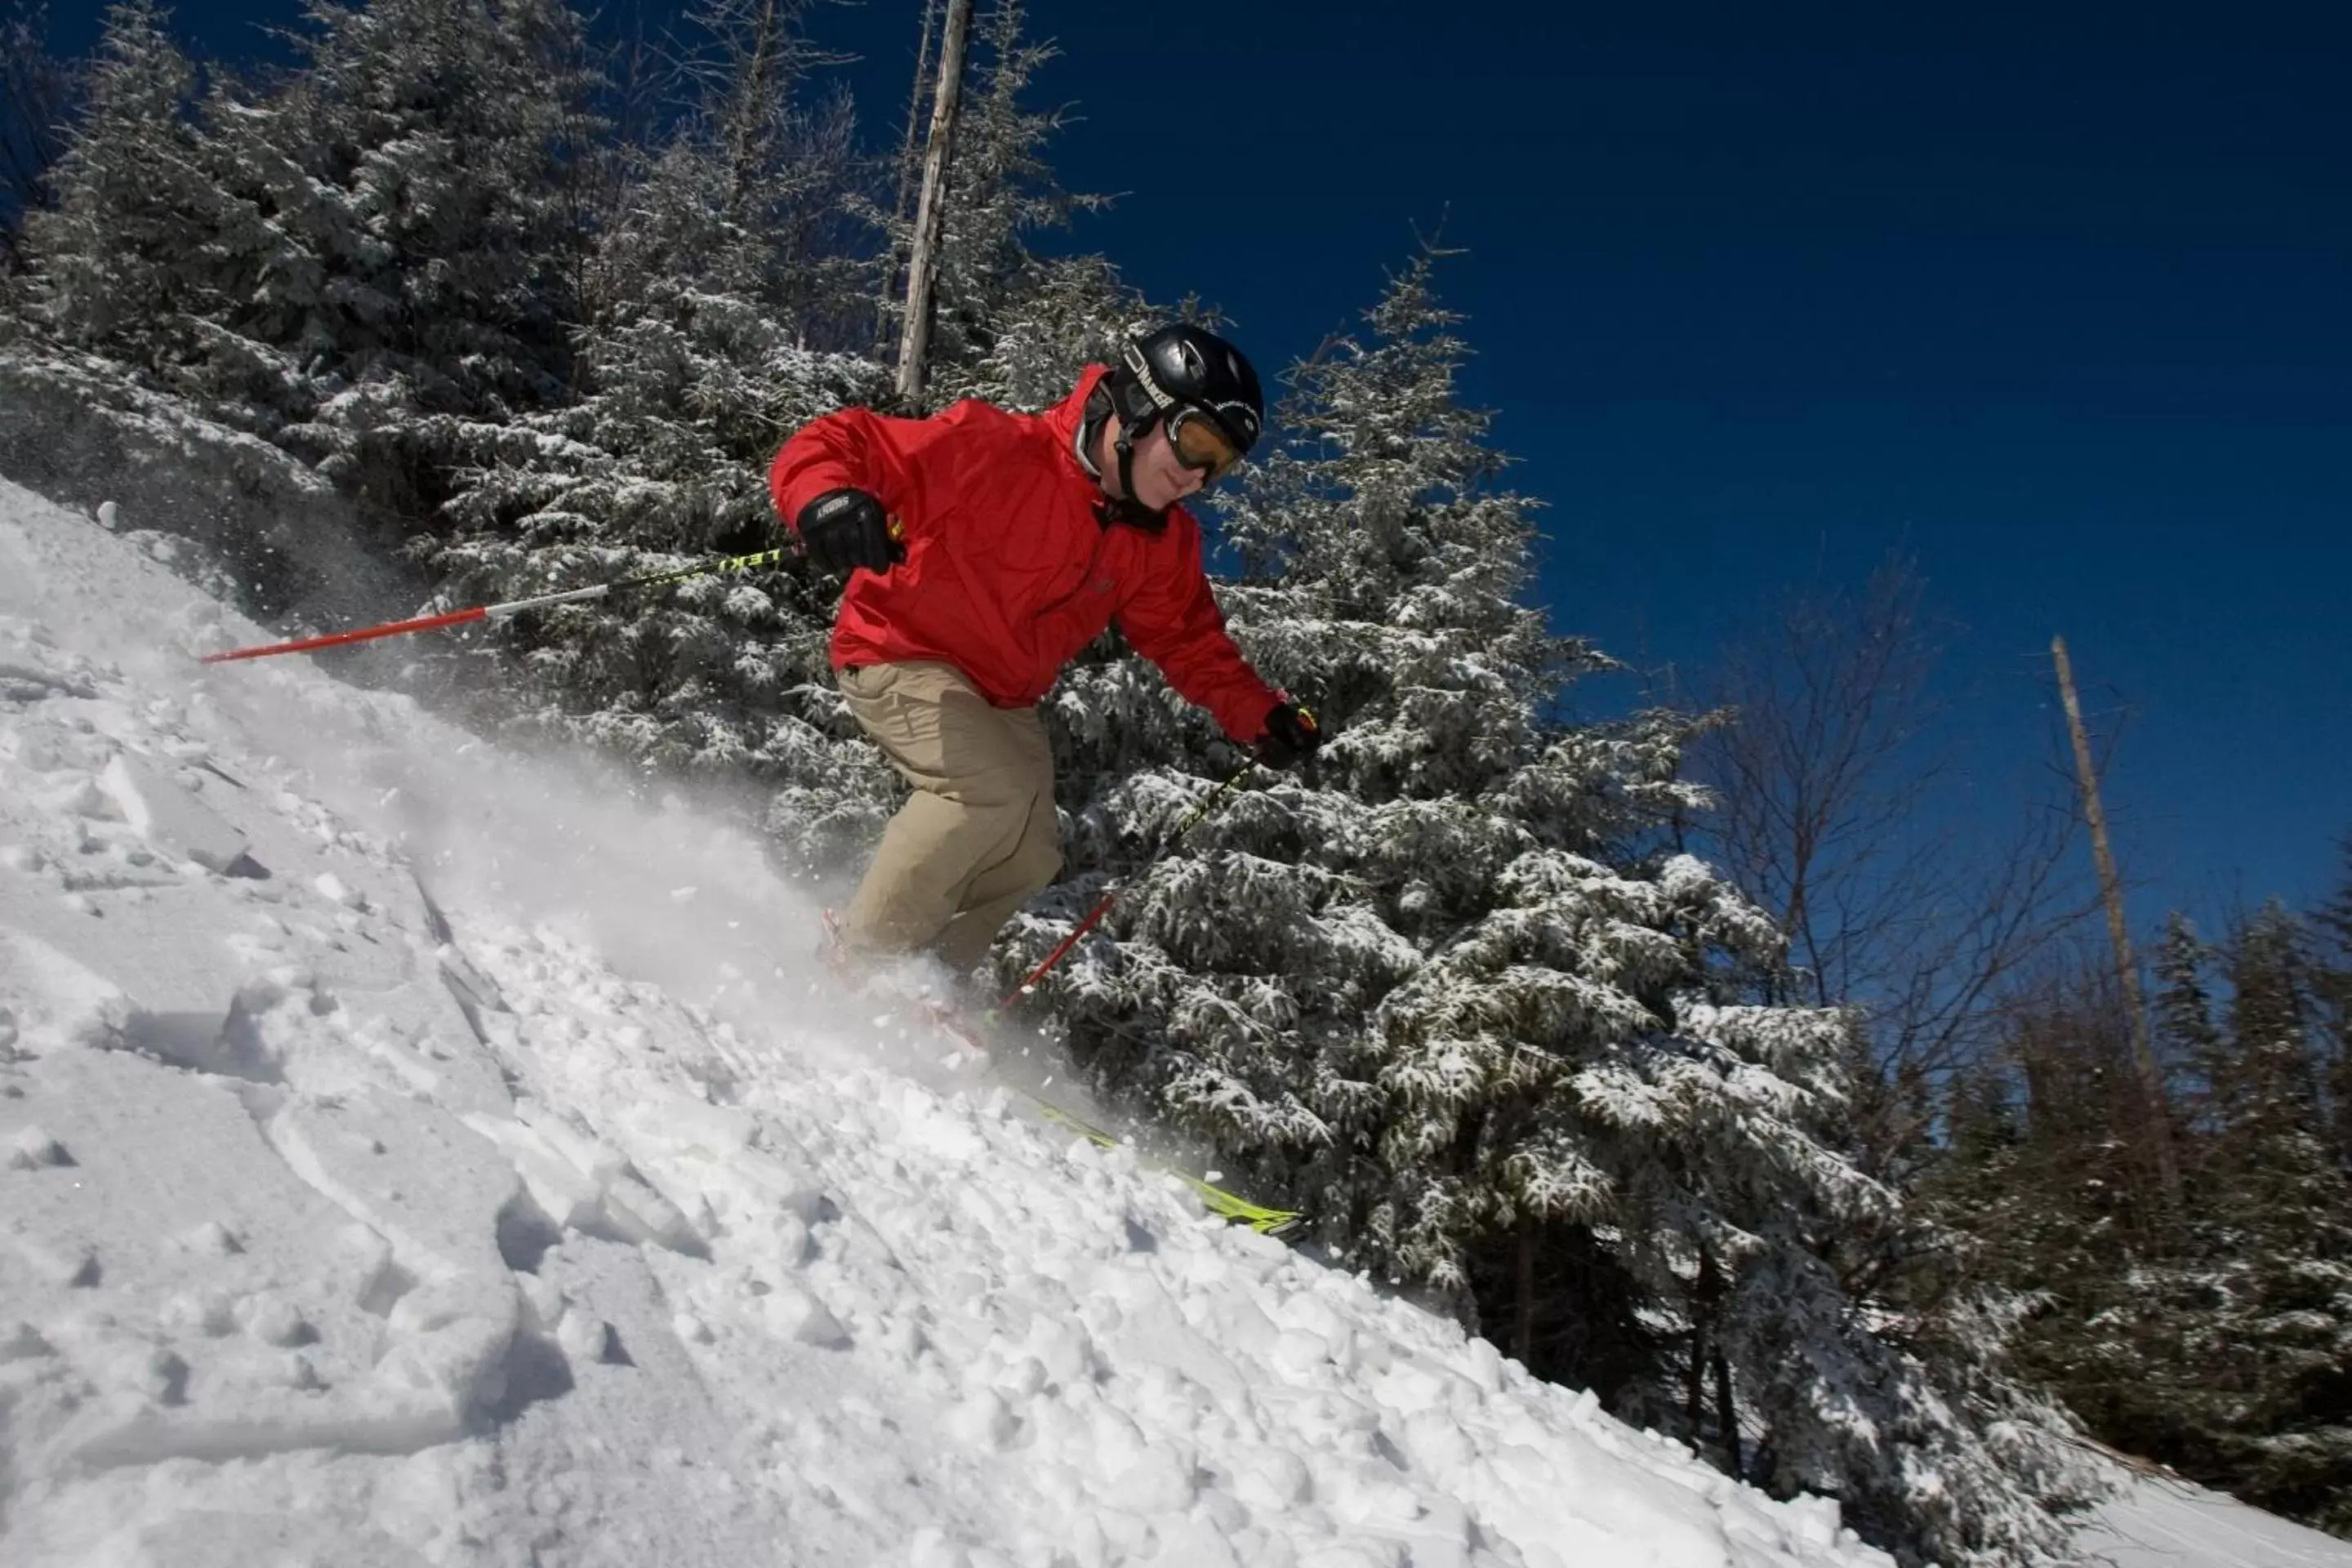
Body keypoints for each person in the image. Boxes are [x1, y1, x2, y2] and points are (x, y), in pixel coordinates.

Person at [768, 323, 1321, 976]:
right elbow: (842, 441)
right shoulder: (996, 447)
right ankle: (859, 965)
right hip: (901, 645)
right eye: (1196, 442)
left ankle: (929, 986)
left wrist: (1261, 715)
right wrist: (825, 498)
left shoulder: (1159, 542)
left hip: (1001, 697)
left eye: (1219, 464)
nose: (1197, 477)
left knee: (1029, 854)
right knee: (985, 797)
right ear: (1140, 407)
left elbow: (1188, 639)